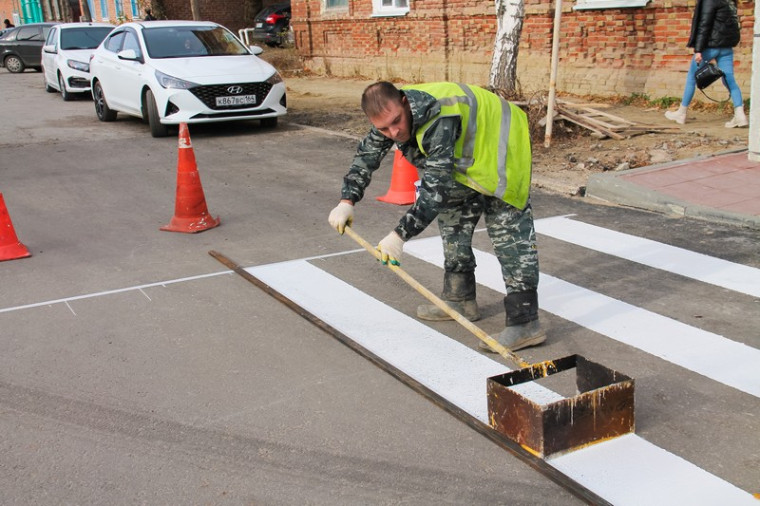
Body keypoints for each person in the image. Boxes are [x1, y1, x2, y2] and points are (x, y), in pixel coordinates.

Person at [328, 81, 545, 352]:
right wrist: (346, 201)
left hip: (501, 148)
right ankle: (459, 298)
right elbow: (366, 158)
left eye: (396, 122)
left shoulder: (437, 117)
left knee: (508, 235)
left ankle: (525, 322)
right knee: (453, 216)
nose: (393, 132)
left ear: (405, 103)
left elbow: (435, 190)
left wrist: (399, 235)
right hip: (468, 156)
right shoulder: (388, 115)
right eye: (384, 128)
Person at [665, 0, 746, 128]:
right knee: (729, 80)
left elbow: (704, 25)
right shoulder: (730, 1)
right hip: (726, 48)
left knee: (692, 77)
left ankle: (681, 113)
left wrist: (698, 50)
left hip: (710, 47)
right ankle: (740, 114)